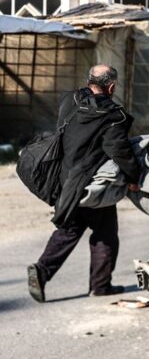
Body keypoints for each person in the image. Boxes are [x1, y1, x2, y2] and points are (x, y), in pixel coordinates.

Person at [27, 64, 141, 302]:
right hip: (91, 185)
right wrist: (133, 179)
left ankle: (41, 270)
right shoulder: (112, 115)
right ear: (111, 87)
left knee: (69, 229)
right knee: (105, 233)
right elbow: (119, 151)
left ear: (89, 81)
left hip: (64, 180)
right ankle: (100, 286)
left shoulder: (71, 101)